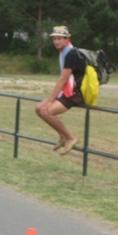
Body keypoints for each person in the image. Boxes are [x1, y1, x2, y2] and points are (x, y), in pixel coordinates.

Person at [35, 25, 87, 155]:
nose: (56, 41)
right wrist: (50, 99)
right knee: (38, 108)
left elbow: (63, 79)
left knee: (46, 111)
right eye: (54, 39)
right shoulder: (65, 52)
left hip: (76, 92)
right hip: (68, 90)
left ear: (66, 39)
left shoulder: (71, 54)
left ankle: (71, 138)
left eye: (59, 38)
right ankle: (63, 136)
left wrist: (50, 101)